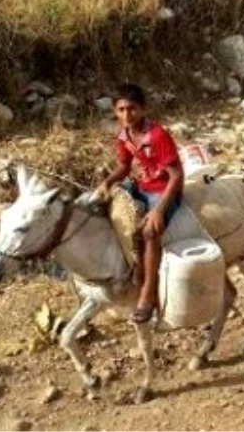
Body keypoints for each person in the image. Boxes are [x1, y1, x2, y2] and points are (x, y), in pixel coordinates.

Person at [97, 83, 184, 323]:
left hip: (164, 189)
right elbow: (124, 167)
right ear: (115, 111)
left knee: (149, 231)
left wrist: (158, 210)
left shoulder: (157, 136)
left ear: (143, 109)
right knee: (104, 207)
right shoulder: (124, 135)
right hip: (143, 185)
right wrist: (107, 183)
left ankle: (148, 291)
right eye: (121, 110)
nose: (127, 115)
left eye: (132, 109)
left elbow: (176, 175)